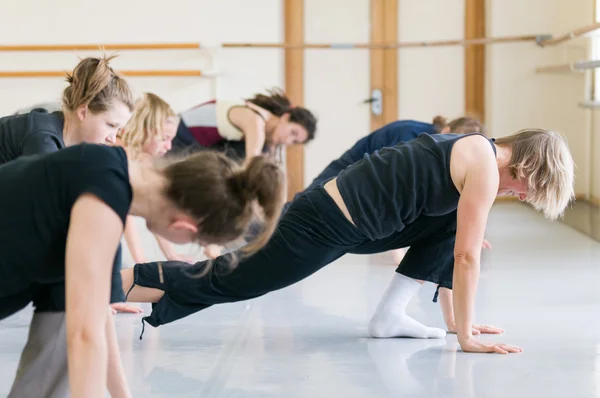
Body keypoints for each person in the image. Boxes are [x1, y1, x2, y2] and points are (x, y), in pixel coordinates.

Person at [124, 128, 575, 355]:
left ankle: (390, 315)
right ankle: (108, 283)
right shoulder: (484, 164)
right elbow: (466, 259)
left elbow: (454, 245)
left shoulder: (476, 152)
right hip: (324, 224)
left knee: (452, 224)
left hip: (352, 225)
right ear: (530, 169)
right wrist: (468, 341)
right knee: (231, 280)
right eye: (526, 191)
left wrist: (459, 323)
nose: (517, 196)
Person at [0, 141, 285, 397]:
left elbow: (97, 317)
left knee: (65, 318)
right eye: (199, 241)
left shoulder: (108, 175)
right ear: (183, 227)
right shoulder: (102, 202)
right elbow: (84, 336)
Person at [202, 115, 485, 259]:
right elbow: (395, 178)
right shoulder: (416, 133)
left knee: (298, 213)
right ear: (449, 132)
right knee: (300, 210)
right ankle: (235, 229)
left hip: (362, 178)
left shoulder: (438, 144)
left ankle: (246, 233)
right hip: (351, 172)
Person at [115, 92, 194, 272]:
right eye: (164, 138)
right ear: (145, 130)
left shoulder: (144, 158)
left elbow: (155, 209)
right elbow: (124, 213)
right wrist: (140, 261)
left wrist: (171, 255)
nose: (169, 147)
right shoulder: (119, 153)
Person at [171, 87, 317, 162]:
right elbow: (252, 166)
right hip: (175, 134)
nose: (287, 141)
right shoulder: (256, 121)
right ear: (285, 117)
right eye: (293, 133)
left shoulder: (265, 131)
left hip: (190, 147)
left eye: (294, 141)